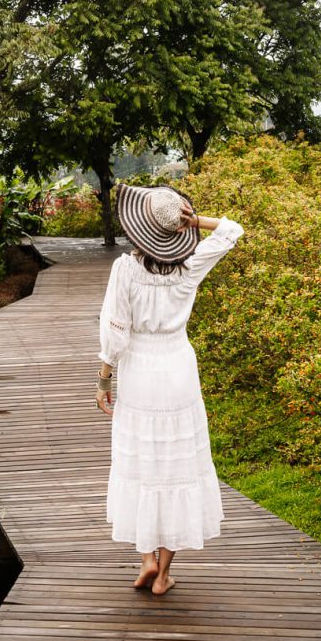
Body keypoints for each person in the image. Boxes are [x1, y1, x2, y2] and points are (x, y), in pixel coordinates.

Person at [95, 183, 244, 596]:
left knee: (142, 461)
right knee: (177, 464)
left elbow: (116, 330)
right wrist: (194, 222)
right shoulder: (191, 265)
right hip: (177, 367)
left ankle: (145, 559)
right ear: (178, 231)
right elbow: (232, 230)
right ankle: (163, 573)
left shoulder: (125, 269)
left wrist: (105, 378)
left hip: (140, 371)